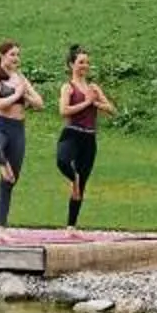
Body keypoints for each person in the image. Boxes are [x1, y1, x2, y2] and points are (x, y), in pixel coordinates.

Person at [0, 40, 42, 228]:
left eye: (18, 55)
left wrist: (26, 95)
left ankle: (1, 227)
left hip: (18, 130)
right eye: (12, 54)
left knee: (9, 183)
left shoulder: (20, 78)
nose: (16, 58)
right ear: (2, 56)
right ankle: (3, 163)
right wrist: (16, 95)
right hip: (0, 126)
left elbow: (40, 103)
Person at [55, 46, 116, 228]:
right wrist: (87, 102)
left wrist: (96, 101)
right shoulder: (68, 87)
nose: (85, 66)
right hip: (72, 133)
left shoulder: (93, 87)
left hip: (89, 138)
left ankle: (71, 227)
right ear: (71, 64)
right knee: (62, 161)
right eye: (81, 62)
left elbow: (111, 109)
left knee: (82, 185)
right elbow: (64, 111)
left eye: (87, 62)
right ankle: (73, 178)